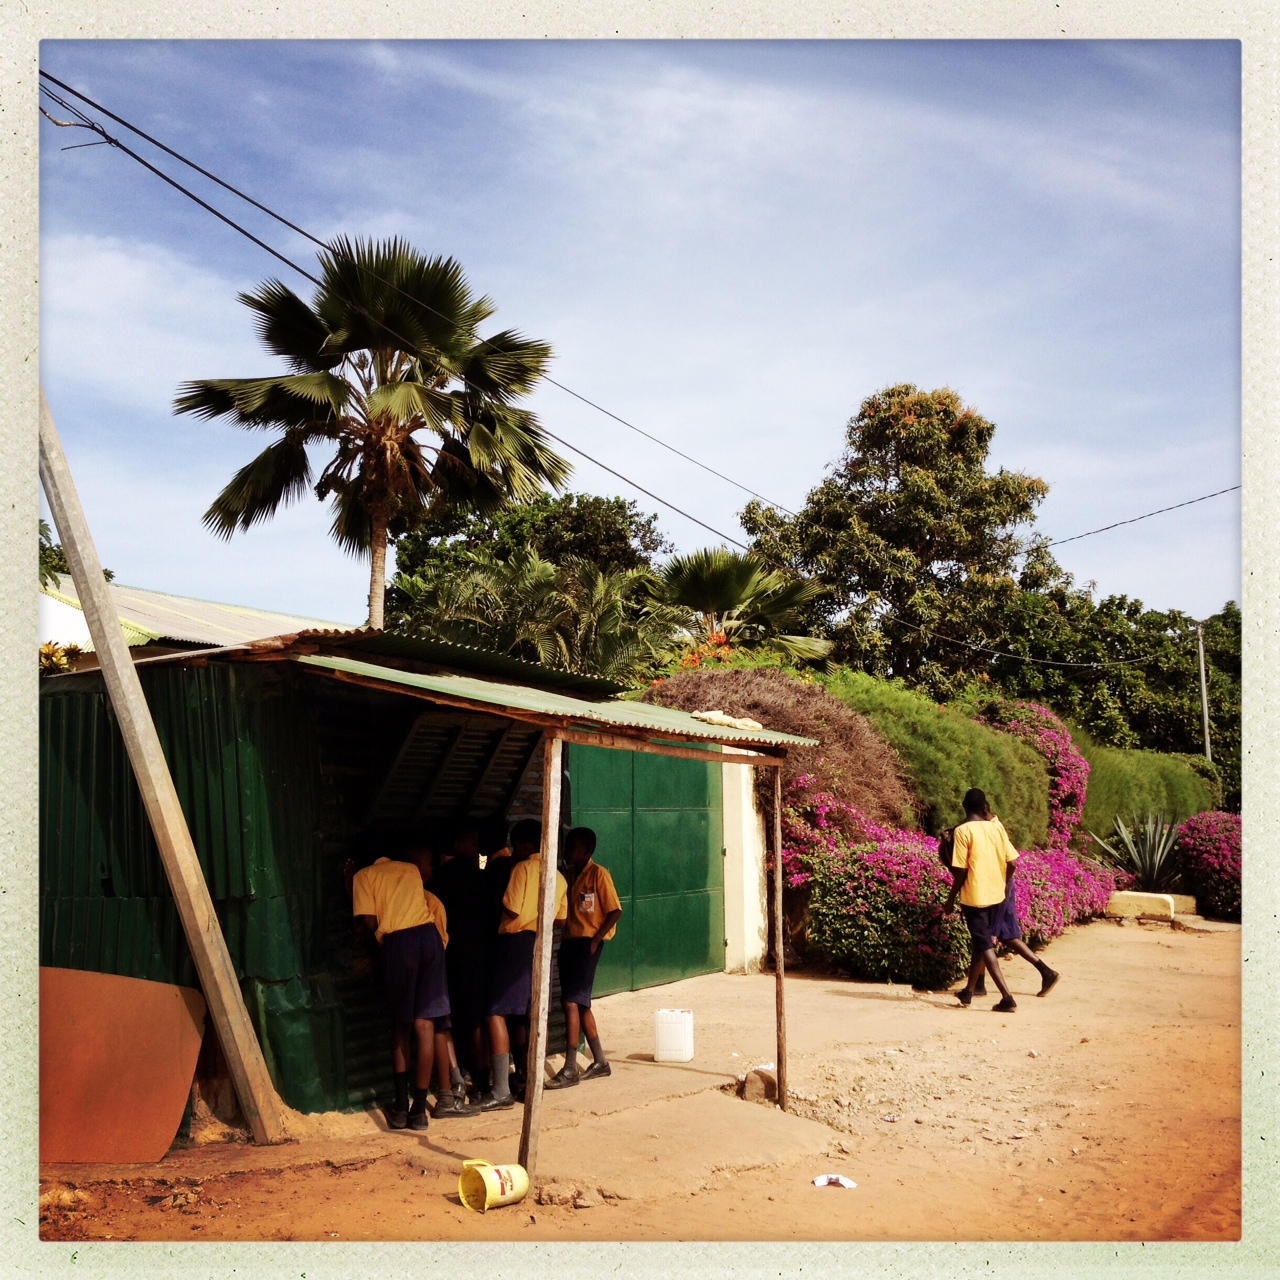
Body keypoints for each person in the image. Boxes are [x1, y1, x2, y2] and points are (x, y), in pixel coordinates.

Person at [349, 838, 452, 1130]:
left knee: (402, 1026)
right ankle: (419, 1111)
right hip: (429, 938)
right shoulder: (410, 869)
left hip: (399, 944)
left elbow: (370, 923)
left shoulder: (363, 876)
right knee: (425, 1025)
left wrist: (350, 891)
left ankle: (400, 1106)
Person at [480, 819, 567, 1110]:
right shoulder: (558, 875)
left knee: (496, 1012)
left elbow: (513, 908)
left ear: (526, 845)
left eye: (515, 846)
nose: (513, 851)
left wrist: (495, 898)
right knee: (529, 1013)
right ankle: (530, 1079)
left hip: (516, 944)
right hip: (542, 944)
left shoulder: (522, 869)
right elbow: (561, 919)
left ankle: (501, 1090)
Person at [546, 827, 623, 1089]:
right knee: (580, 1003)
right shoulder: (568, 875)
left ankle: (569, 1068)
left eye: (573, 847)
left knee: (571, 1001)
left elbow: (615, 911)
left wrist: (595, 940)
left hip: (587, 944)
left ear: (587, 851)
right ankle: (600, 1061)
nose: (568, 851)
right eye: (567, 846)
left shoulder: (599, 874)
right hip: (569, 942)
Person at [943, 788, 1021, 1012]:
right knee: (981, 941)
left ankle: (1007, 998)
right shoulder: (996, 827)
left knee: (985, 945)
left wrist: (950, 899)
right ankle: (968, 992)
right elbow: (1012, 863)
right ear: (985, 806)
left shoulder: (963, 831)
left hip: (975, 896)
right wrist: (1002, 883)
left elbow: (960, 871)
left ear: (964, 806)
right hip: (997, 895)